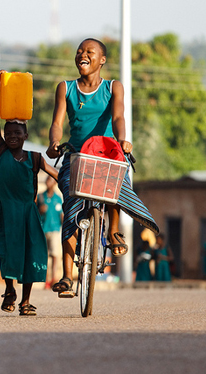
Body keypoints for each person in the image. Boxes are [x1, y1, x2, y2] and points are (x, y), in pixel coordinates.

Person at [45, 38, 159, 295]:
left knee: (116, 179)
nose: (82, 55)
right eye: (79, 51)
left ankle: (114, 230)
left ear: (102, 60)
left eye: (89, 52)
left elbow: (118, 116)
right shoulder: (66, 88)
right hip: (77, 155)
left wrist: (122, 141)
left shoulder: (113, 87)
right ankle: (66, 276)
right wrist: (54, 141)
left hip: (106, 152)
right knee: (71, 207)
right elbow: (57, 121)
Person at [0, 70, 59, 316]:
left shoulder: (35, 158)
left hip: (28, 213)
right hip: (5, 211)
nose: (11, 137)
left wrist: (72, 187)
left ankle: (25, 301)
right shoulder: (0, 151)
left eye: (17, 134)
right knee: (6, 253)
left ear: (26, 136)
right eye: (8, 134)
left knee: (31, 254)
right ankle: (9, 290)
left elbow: (56, 175)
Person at [37, 176, 64, 289]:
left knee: (55, 255)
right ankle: (46, 279)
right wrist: (40, 210)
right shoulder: (40, 197)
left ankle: (54, 278)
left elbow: (61, 214)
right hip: (43, 229)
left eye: (51, 181)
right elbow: (35, 213)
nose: (49, 183)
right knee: (44, 256)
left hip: (54, 229)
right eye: (47, 180)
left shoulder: (58, 198)